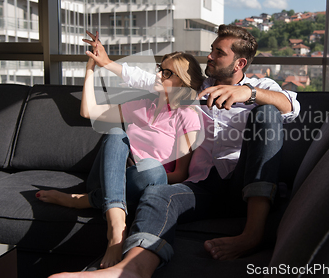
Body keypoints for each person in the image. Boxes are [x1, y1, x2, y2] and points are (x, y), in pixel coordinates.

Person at [49, 25, 300, 278]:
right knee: (158, 195)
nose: (210, 56)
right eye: (212, 50)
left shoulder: (261, 86)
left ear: (239, 62)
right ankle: (131, 269)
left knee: (267, 111)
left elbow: (291, 105)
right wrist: (106, 63)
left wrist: (249, 93)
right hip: (202, 186)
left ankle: (252, 235)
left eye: (218, 53)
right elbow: (150, 79)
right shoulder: (195, 88)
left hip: (240, 182)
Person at [37, 31, 205, 269]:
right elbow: (88, 112)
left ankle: (86, 202)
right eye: (160, 68)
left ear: (181, 82)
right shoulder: (141, 105)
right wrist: (91, 69)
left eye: (167, 73)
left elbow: (179, 175)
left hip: (144, 181)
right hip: (106, 177)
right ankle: (116, 229)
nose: (158, 75)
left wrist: (133, 175)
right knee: (116, 133)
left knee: (150, 167)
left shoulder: (187, 116)